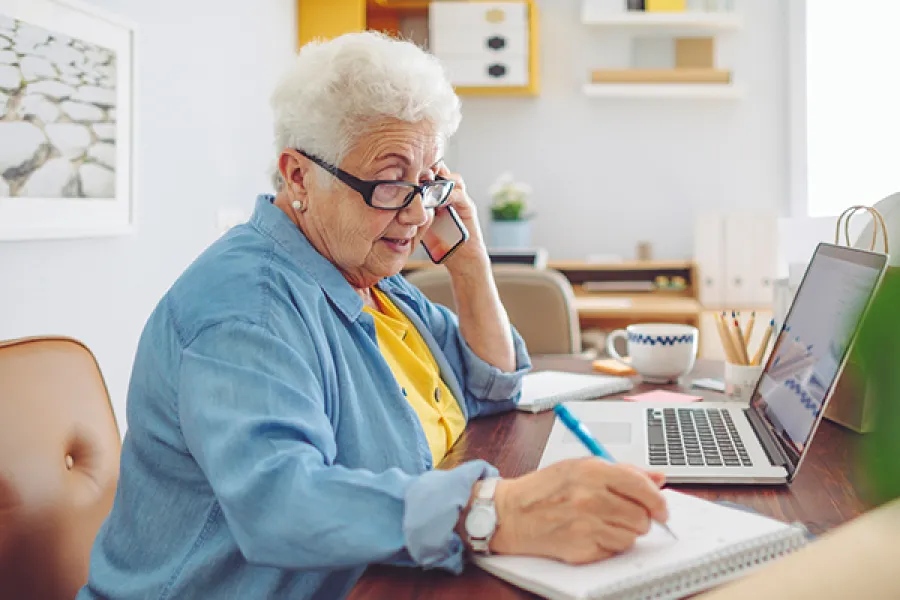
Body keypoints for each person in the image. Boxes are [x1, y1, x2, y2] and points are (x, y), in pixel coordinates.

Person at [78, 32, 669, 600]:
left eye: (429, 181)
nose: (415, 213)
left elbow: (492, 385)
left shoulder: (373, 281)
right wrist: (498, 511)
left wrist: (471, 265)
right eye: (390, 182)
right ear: (298, 175)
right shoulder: (245, 308)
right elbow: (280, 502)